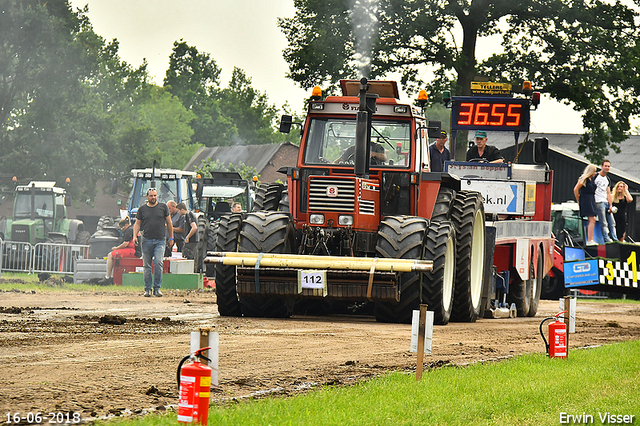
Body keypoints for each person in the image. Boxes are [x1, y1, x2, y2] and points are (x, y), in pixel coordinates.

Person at [132, 188, 173, 297]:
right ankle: (147, 289)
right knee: (147, 266)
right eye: (151, 196)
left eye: (155, 195)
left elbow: (169, 222)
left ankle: (157, 288)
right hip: (146, 240)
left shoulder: (163, 207)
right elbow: (137, 223)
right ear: (147, 197)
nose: (153, 197)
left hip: (160, 240)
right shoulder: (142, 209)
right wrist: (135, 236)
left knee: (159, 263)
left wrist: (171, 238)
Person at [101, 217, 136, 285]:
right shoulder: (133, 228)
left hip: (132, 251)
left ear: (126, 225)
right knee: (116, 256)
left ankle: (107, 277)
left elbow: (126, 243)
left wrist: (116, 248)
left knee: (110, 255)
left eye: (122, 228)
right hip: (134, 250)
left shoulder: (129, 230)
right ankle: (113, 277)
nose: (122, 229)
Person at [574, 164, 598, 245]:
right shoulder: (584, 179)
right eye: (594, 171)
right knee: (592, 219)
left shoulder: (592, 179)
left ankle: (591, 239)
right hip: (586, 199)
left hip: (591, 199)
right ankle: (589, 240)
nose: (595, 173)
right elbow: (576, 189)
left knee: (592, 219)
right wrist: (578, 200)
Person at [594, 159, 617, 242]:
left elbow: (608, 193)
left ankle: (614, 238)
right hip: (598, 201)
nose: (607, 168)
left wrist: (610, 205)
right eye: (606, 166)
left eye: (608, 166)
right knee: (603, 222)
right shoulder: (596, 176)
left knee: (612, 222)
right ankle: (606, 239)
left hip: (606, 201)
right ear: (601, 166)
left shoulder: (607, 179)